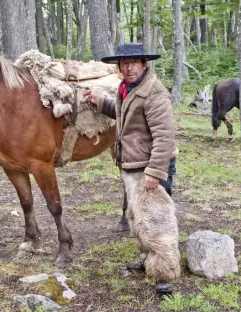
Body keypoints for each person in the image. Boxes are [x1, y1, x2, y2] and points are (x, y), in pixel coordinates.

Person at [84, 43, 180, 295]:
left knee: (157, 220)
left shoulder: (155, 93)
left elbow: (165, 137)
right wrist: (100, 101)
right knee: (139, 217)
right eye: (124, 63)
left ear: (144, 64)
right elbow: (124, 114)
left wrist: (155, 172)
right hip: (133, 164)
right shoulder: (128, 89)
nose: (129, 67)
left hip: (150, 167)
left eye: (134, 62)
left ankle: (165, 273)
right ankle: (150, 259)